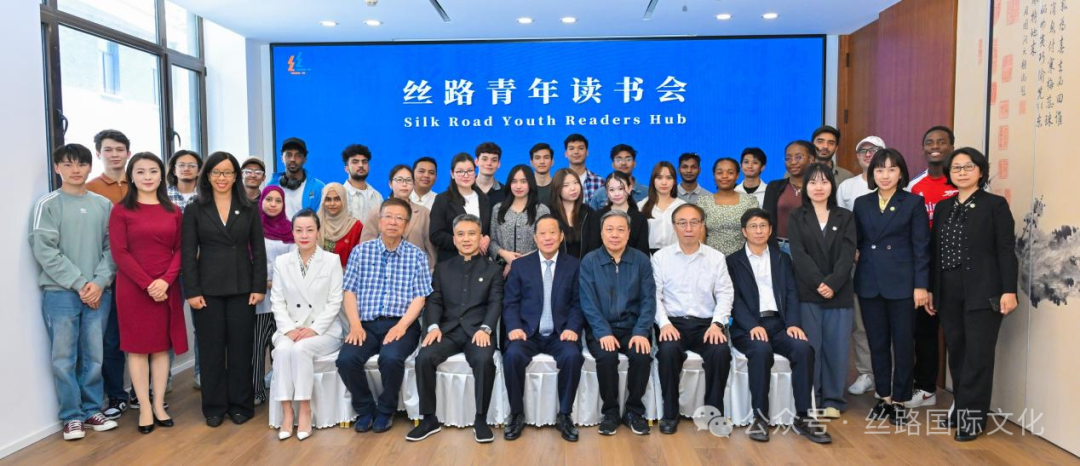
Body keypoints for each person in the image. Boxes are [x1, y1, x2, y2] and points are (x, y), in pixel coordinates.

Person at [30, 144, 119, 440]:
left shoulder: (103, 205)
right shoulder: (48, 204)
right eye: (67, 164)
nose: (75, 170)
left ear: (89, 167)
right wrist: (81, 283)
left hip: (99, 292)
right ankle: (71, 416)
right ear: (57, 168)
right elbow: (45, 250)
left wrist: (99, 282)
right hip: (61, 293)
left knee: (94, 355)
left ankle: (92, 410)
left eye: (81, 164)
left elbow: (113, 248)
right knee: (64, 358)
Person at [929, 148, 1017, 441]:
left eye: (968, 166)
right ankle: (960, 409)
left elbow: (1006, 250)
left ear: (980, 171)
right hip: (948, 292)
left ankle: (973, 420)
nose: (962, 172)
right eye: (956, 168)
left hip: (984, 291)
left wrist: (1008, 290)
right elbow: (935, 252)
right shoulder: (944, 207)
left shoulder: (994, 205)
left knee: (978, 356)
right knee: (957, 354)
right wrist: (932, 290)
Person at [727, 208, 831, 444]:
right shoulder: (732, 262)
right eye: (753, 226)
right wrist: (751, 325)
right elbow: (733, 299)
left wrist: (793, 323)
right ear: (744, 231)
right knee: (760, 350)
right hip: (748, 327)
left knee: (804, 349)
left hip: (779, 324)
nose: (758, 231)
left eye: (763, 226)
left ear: (770, 230)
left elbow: (792, 293)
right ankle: (760, 417)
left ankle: (803, 417)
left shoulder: (782, 259)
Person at [181, 151, 268, 427]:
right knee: (212, 350)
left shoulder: (249, 207)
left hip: (243, 287)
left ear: (235, 176)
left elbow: (258, 250)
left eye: (228, 172)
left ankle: (241, 404)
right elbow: (188, 253)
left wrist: (258, 286)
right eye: (216, 172)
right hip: (207, 289)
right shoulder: (195, 208)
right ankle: (214, 407)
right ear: (207, 176)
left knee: (241, 348)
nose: (222, 177)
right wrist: (192, 291)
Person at [336, 198, 432, 434]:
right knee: (346, 360)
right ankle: (365, 409)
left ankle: (386, 410)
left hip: (402, 324)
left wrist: (401, 326)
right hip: (365, 325)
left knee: (390, 358)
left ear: (406, 225)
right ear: (379, 221)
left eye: (400, 218)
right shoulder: (361, 252)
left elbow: (420, 297)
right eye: (388, 216)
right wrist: (355, 325)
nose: (393, 222)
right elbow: (349, 292)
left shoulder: (417, 256)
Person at [109, 152, 187, 434]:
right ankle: (143, 406)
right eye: (140, 172)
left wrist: (165, 281)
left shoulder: (173, 211)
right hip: (133, 288)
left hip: (166, 287)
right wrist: (148, 284)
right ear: (131, 176)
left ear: (162, 174)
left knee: (161, 347)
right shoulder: (121, 210)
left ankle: (158, 404)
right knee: (138, 348)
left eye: (153, 171)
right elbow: (119, 252)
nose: (147, 177)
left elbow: (181, 249)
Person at [407, 214, 503, 443]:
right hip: (447, 331)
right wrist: (432, 327)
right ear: (454, 238)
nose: (466, 239)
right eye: (460, 234)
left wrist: (486, 328)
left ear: (480, 237)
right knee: (424, 357)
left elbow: (495, 302)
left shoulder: (493, 270)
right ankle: (429, 419)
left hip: (478, 331)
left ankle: (481, 419)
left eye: (471, 234)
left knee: (483, 360)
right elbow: (435, 301)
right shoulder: (442, 268)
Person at [852, 148, 930, 425]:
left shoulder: (913, 202)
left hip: (903, 285)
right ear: (872, 174)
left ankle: (900, 399)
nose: (885, 175)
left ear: (901, 173)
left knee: (903, 343)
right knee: (877, 343)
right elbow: (857, 241)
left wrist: (921, 286)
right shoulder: (862, 203)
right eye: (879, 170)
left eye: (891, 169)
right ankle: (883, 396)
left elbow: (921, 247)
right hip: (870, 282)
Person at [501, 215, 584, 442]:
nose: (548, 238)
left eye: (552, 233)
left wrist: (572, 328)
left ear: (561, 236)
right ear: (535, 238)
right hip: (528, 333)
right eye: (542, 233)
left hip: (560, 333)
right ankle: (516, 414)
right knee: (513, 355)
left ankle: (564, 415)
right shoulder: (520, 266)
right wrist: (514, 327)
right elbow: (510, 302)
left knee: (572, 356)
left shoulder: (574, 265)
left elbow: (578, 303)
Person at [653, 204, 733, 435]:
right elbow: (654, 296)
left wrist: (717, 324)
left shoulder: (716, 258)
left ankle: (713, 413)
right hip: (673, 323)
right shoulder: (660, 258)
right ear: (674, 227)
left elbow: (725, 294)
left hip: (706, 325)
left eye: (694, 222)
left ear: (702, 226)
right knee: (668, 352)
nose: (688, 228)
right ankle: (670, 414)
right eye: (682, 223)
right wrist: (664, 324)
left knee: (720, 352)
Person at [786, 163, 857, 420]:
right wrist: (819, 283)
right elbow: (798, 254)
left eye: (824, 182)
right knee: (811, 347)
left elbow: (848, 254)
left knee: (837, 348)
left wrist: (833, 283)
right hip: (808, 291)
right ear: (805, 187)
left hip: (840, 292)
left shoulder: (845, 216)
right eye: (813, 182)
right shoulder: (797, 216)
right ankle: (812, 398)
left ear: (832, 186)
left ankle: (833, 399)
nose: (819, 187)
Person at [270, 209, 345, 441]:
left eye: (310, 230)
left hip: (324, 330)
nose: (304, 235)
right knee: (282, 350)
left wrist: (314, 329)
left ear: (318, 232)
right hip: (290, 328)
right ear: (292, 233)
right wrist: (288, 329)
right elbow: (277, 300)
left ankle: (304, 410)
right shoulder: (282, 262)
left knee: (301, 349)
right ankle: (286, 412)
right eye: (299, 230)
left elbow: (335, 301)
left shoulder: (331, 260)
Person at [579, 210, 655, 436]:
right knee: (606, 357)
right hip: (602, 328)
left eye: (621, 229)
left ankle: (634, 411)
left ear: (629, 233)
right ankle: (610, 412)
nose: (615, 234)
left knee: (641, 356)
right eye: (609, 229)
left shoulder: (641, 260)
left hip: (633, 328)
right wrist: (602, 332)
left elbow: (648, 300)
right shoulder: (590, 261)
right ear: (601, 233)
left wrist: (641, 331)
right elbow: (588, 302)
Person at [905, 125, 959, 410]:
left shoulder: (962, 181)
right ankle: (926, 388)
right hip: (925, 268)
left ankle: (964, 396)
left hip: (957, 269)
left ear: (952, 146)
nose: (935, 146)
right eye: (929, 142)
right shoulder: (915, 185)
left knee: (959, 332)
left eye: (941, 142)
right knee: (925, 331)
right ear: (923, 148)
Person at [86, 129, 131, 421]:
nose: (114, 154)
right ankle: (116, 395)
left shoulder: (141, 184)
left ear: (128, 153)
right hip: (108, 278)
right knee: (110, 340)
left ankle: (144, 391)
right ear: (98, 153)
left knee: (144, 337)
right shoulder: (89, 189)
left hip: (141, 277)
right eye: (108, 149)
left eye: (119, 149)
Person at [836, 136, 885, 397]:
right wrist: (851, 251)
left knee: (890, 321)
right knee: (861, 322)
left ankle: (888, 376)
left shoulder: (899, 185)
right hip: (858, 263)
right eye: (862, 150)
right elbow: (841, 225)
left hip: (890, 265)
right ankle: (867, 373)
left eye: (874, 150)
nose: (868, 154)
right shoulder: (847, 186)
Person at [254, 186, 297, 406]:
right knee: (256, 348)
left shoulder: (290, 230)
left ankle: (280, 393)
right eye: (268, 199)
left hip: (284, 300)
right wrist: (261, 284)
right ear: (261, 201)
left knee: (280, 348)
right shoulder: (253, 228)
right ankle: (256, 391)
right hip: (258, 299)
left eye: (278, 200)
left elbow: (293, 264)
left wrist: (272, 283)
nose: (272, 204)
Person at [166, 149, 203, 390]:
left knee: (202, 324)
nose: (187, 169)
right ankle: (164, 377)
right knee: (167, 323)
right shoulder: (162, 196)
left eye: (192, 165)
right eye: (182, 164)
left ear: (199, 170)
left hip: (201, 269)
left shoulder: (206, 196)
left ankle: (201, 372)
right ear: (173, 169)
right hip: (170, 270)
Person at [360, 165, 438, 270]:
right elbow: (366, 247)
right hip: (382, 271)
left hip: (415, 271)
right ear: (390, 184)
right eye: (399, 180)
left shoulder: (424, 213)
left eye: (408, 180)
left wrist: (430, 271)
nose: (404, 184)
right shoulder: (376, 212)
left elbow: (431, 250)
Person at [429, 153, 492, 263]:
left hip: (480, 262)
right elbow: (435, 234)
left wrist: (488, 237)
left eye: (470, 171)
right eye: (460, 171)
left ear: (475, 172)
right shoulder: (442, 199)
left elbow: (489, 230)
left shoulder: (484, 199)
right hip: (452, 262)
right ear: (452, 174)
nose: (466, 175)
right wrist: (466, 242)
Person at [490, 165, 551, 275]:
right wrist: (505, 255)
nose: (518, 186)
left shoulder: (542, 210)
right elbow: (492, 242)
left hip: (534, 271)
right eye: (514, 181)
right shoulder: (498, 209)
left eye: (523, 181)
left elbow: (547, 242)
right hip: (503, 272)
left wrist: (518, 262)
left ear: (530, 183)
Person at [697, 157, 759, 256]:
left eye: (730, 173)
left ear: (737, 175)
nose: (724, 176)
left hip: (742, 259)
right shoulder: (703, 202)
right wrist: (704, 258)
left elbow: (755, 232)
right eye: (719, 172)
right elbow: (700, 234)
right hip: (712, 259)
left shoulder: (749, 201)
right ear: (714, 175)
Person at [762, 140, 814, 252]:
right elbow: (766, 220)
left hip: (808, 248)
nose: (793, 162)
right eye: (788, 158)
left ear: (811, 159)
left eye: (799, 157)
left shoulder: (818, 188)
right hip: (779, 246)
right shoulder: (774, 186)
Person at [593, 171, 650, 255]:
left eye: (621, 189)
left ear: (629, 188)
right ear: (607, 192)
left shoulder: (640, 218)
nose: (616, 194)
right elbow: (594, 249)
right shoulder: (598, 216)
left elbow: (643, 252)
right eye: (611, 190)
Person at [550, 168, 599, 259]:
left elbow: (595, 246)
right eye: (566, 185)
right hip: (558, 266)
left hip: (586, 266)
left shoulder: (589, 213)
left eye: (576, 183)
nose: (573, 188)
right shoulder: (550, 215)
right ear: (557, 189)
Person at [639, 161, 686, 253]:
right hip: (648, 255)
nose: (664, 182)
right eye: (659, 178)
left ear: (674, 182)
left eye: (669, 178)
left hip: (677, 254)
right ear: (653, 180)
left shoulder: (682, 206)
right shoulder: (641, 206)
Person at [272, 137, 326, 217]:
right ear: (282, 158)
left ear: (305, 159)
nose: (293, 159)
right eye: (288, 155)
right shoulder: (272, 186)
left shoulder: (318, 188)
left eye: (298, 155)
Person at [317, 183, 364, 269]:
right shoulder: (316, 223)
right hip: (317, 274)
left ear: (344, 200)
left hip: (345, 275)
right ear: (323, 201)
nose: (332, 203)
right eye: (328, 199)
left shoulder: (356, 227)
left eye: (337, 199)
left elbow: (359, 259)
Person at [587, 144, 648, 209]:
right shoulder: (600, 194)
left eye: (628, 159)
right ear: (613, 164)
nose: (623, 163)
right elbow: (591, 215)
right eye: (618, 160)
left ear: (634, 163)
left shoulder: (646, 192)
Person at [342, 144, 384, 221]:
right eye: (355, 162)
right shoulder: (340, 196)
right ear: (347, 169)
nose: (361, 165)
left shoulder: (377, 197)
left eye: (364, 162)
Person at [563, 133, 604, 202]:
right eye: (571, 148)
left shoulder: (600, 182)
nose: (576, 152)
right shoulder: (558, 182)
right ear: (566, 154)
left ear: (587, 152)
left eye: (581, 148)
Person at [474, 142, 505, 207]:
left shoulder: (506, 193)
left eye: (494, 160)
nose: (489, 163)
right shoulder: (464, 189)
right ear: (476, 162)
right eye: (484, 159)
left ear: (499, 164)